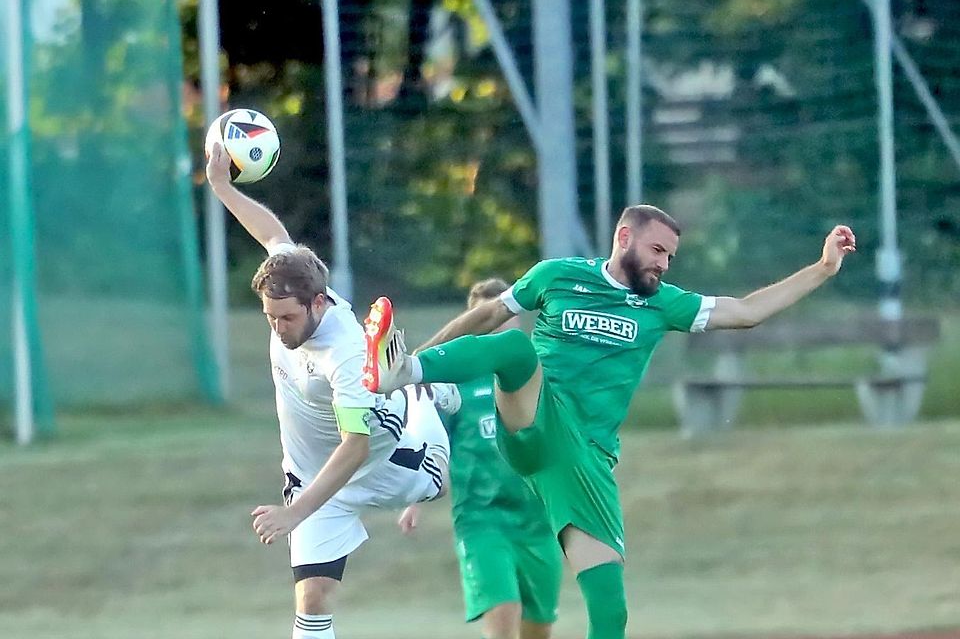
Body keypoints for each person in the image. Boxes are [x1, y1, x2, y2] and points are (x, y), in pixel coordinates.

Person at [361, 205, 857, 639]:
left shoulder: (663, 303)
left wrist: (823, 268)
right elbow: (489, 315)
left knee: (610, 609)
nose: (663, 263)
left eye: (670, 256)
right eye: (657, 250)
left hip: (586, 459)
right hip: (536, 416)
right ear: (624, 237)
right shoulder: (556, 275)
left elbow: (746, 311)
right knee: (514, 347)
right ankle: (401, 369)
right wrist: (412, 363)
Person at [205, 142, 451, 639]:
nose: (278, 329)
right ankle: (414, 387)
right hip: (313, 477)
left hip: (383, 462)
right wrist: (221, 186)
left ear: (319, 303)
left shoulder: (345, 353)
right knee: (312, 598)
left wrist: (294, 513)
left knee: (437, 481)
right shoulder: (290, 278)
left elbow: (355, 447)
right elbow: (273, 235)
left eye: (287, 318)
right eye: (269, 317)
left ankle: (429, 395)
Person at [397, 278, 563, 639]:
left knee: (539, 627)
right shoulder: (456, 384)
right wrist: (417, 497)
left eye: (504, 315)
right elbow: (434, 444)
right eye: (485, 317)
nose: (497, 324)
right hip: (482, 518)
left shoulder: (538, 375)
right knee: (502, 610)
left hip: (538, 520)